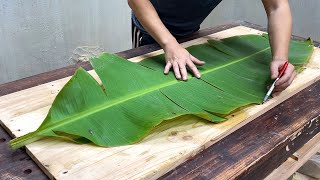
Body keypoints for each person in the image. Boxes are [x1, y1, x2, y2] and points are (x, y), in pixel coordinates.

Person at [128, 0, 296, 94]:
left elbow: (277, 6)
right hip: (151, 31)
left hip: (190, 29)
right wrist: (170, 44)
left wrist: (280, 57)